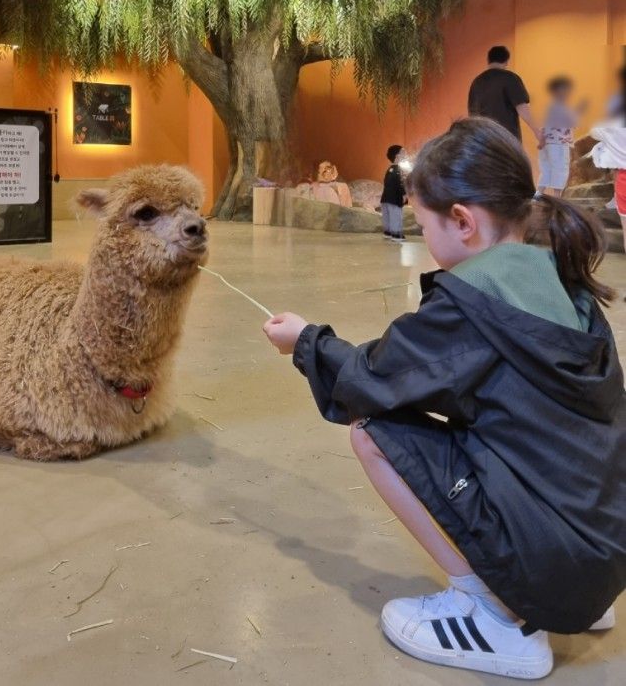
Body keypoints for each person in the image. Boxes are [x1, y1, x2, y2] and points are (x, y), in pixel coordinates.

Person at [263, 118, 625, 680]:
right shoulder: (564, 278)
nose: (421, 234)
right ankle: (565, 589)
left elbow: (371, 376)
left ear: (462, 221)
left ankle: (499, 620)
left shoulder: (470, 303)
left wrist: (307, 340)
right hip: (604, 556)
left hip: (554, 570)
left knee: (372, 432)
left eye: (422, 221)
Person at [468, 46, 541, 143]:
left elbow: (472, 114)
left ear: (488, 60)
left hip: (482, 139)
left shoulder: (477, 82)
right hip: (506, 139)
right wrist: (536, 130)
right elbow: (522, 108)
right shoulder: (510, 78)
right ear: (506, 61)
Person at [537, 75, 585, 197]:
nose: (567, 93)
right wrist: (579, 110)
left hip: (548, 143)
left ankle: (538, 194)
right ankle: (557, 197)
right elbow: (573, 122)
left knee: (547, 168)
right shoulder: (562, 108)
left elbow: (546, 126)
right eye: (565, 90)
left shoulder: (551, 107)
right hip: (559, 144)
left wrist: (541, 140)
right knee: (560, 168)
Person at [379, 144, 406, 242]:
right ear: (397, 156)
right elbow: (399, 184)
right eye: (403, 153)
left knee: (387, 216)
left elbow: (387, 182)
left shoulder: (389, 170)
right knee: (396, 216)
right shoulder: (398, 170)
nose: (405, 155)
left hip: (386, 198)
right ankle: (396, 234)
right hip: (394, 199)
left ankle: (388, 232)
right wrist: (404, 194)